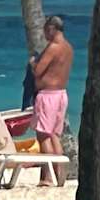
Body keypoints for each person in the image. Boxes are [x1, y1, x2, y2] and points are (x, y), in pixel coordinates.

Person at [28, 14, 73, 185]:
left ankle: (47, 176)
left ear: (52, 29)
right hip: (61, 94)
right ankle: (59, 176)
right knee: (55, 136)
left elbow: (38, 71)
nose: (45, 34)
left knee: (43, 136)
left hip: (47, 95)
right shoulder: (68, 48)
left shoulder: (53, 47)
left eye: (46, 30)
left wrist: (33, 62)